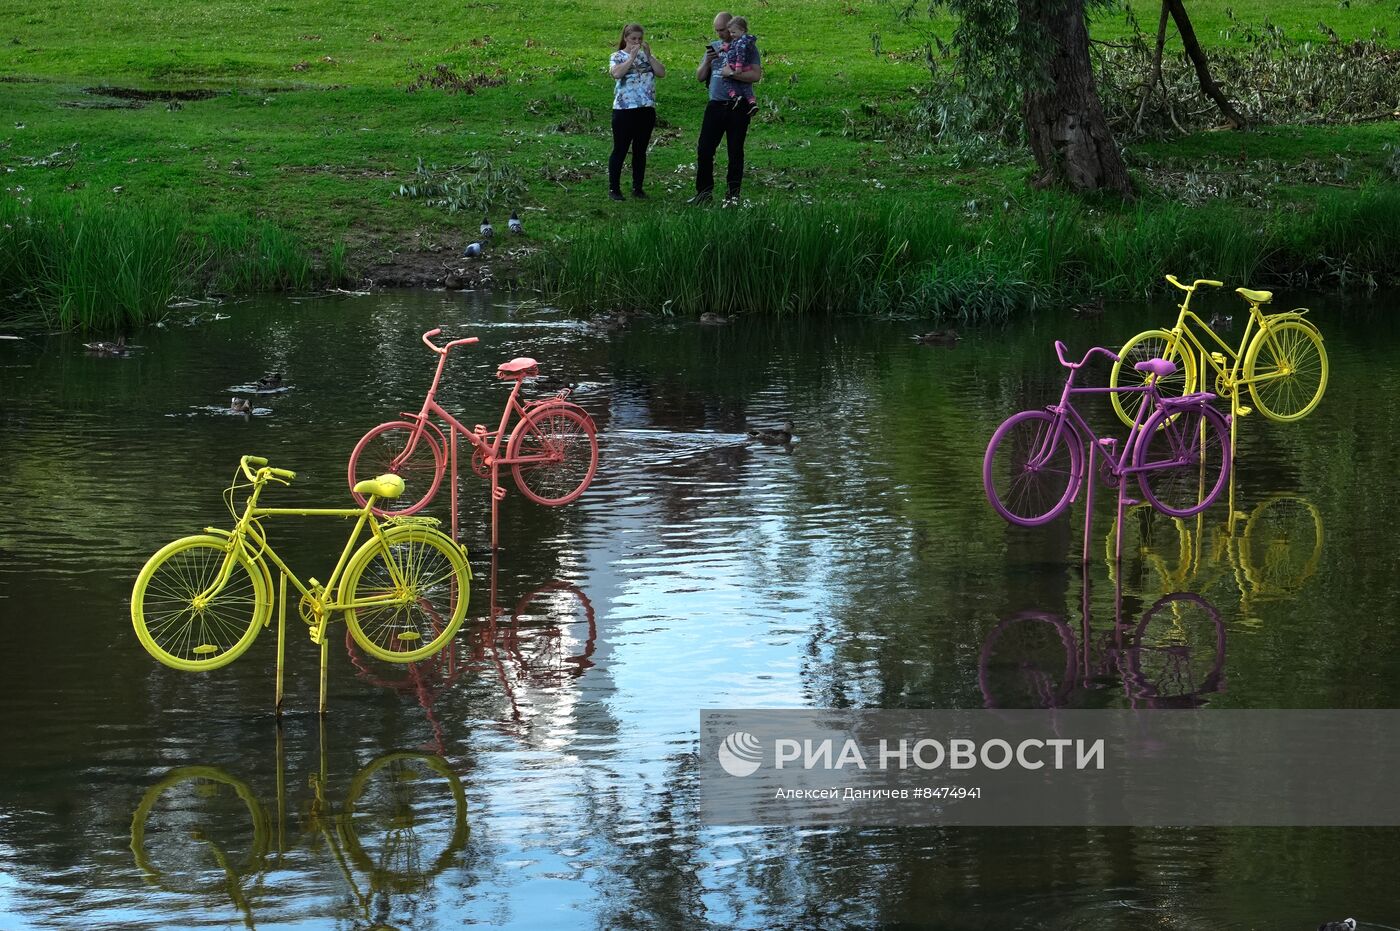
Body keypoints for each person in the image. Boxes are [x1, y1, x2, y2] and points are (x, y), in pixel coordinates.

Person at [693, 11, 762, 203]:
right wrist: (708, 61)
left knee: (735, 151)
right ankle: (703, 193)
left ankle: (733, 195)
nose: (720, 34)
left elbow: (755, 76)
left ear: (732, 28)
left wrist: (731, 74)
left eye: (723, 30)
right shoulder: (715, 47)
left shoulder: (748, 48)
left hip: (738, 106)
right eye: (717, 31)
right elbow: (699, 77)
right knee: (705, 149)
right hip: (715, 105)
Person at [608, 23, 666, 201]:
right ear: (626, 38)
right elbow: (616, 74)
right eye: (633, 38)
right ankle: (614, 189)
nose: (637, 42)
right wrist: (631, 58)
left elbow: (661, 72)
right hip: (624, 110)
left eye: (640, 39)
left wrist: (648, 56)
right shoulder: (617, 56)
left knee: (640, 150)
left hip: (645, 109)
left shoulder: (646, 56)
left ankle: (637, 187)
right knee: (621, 149)